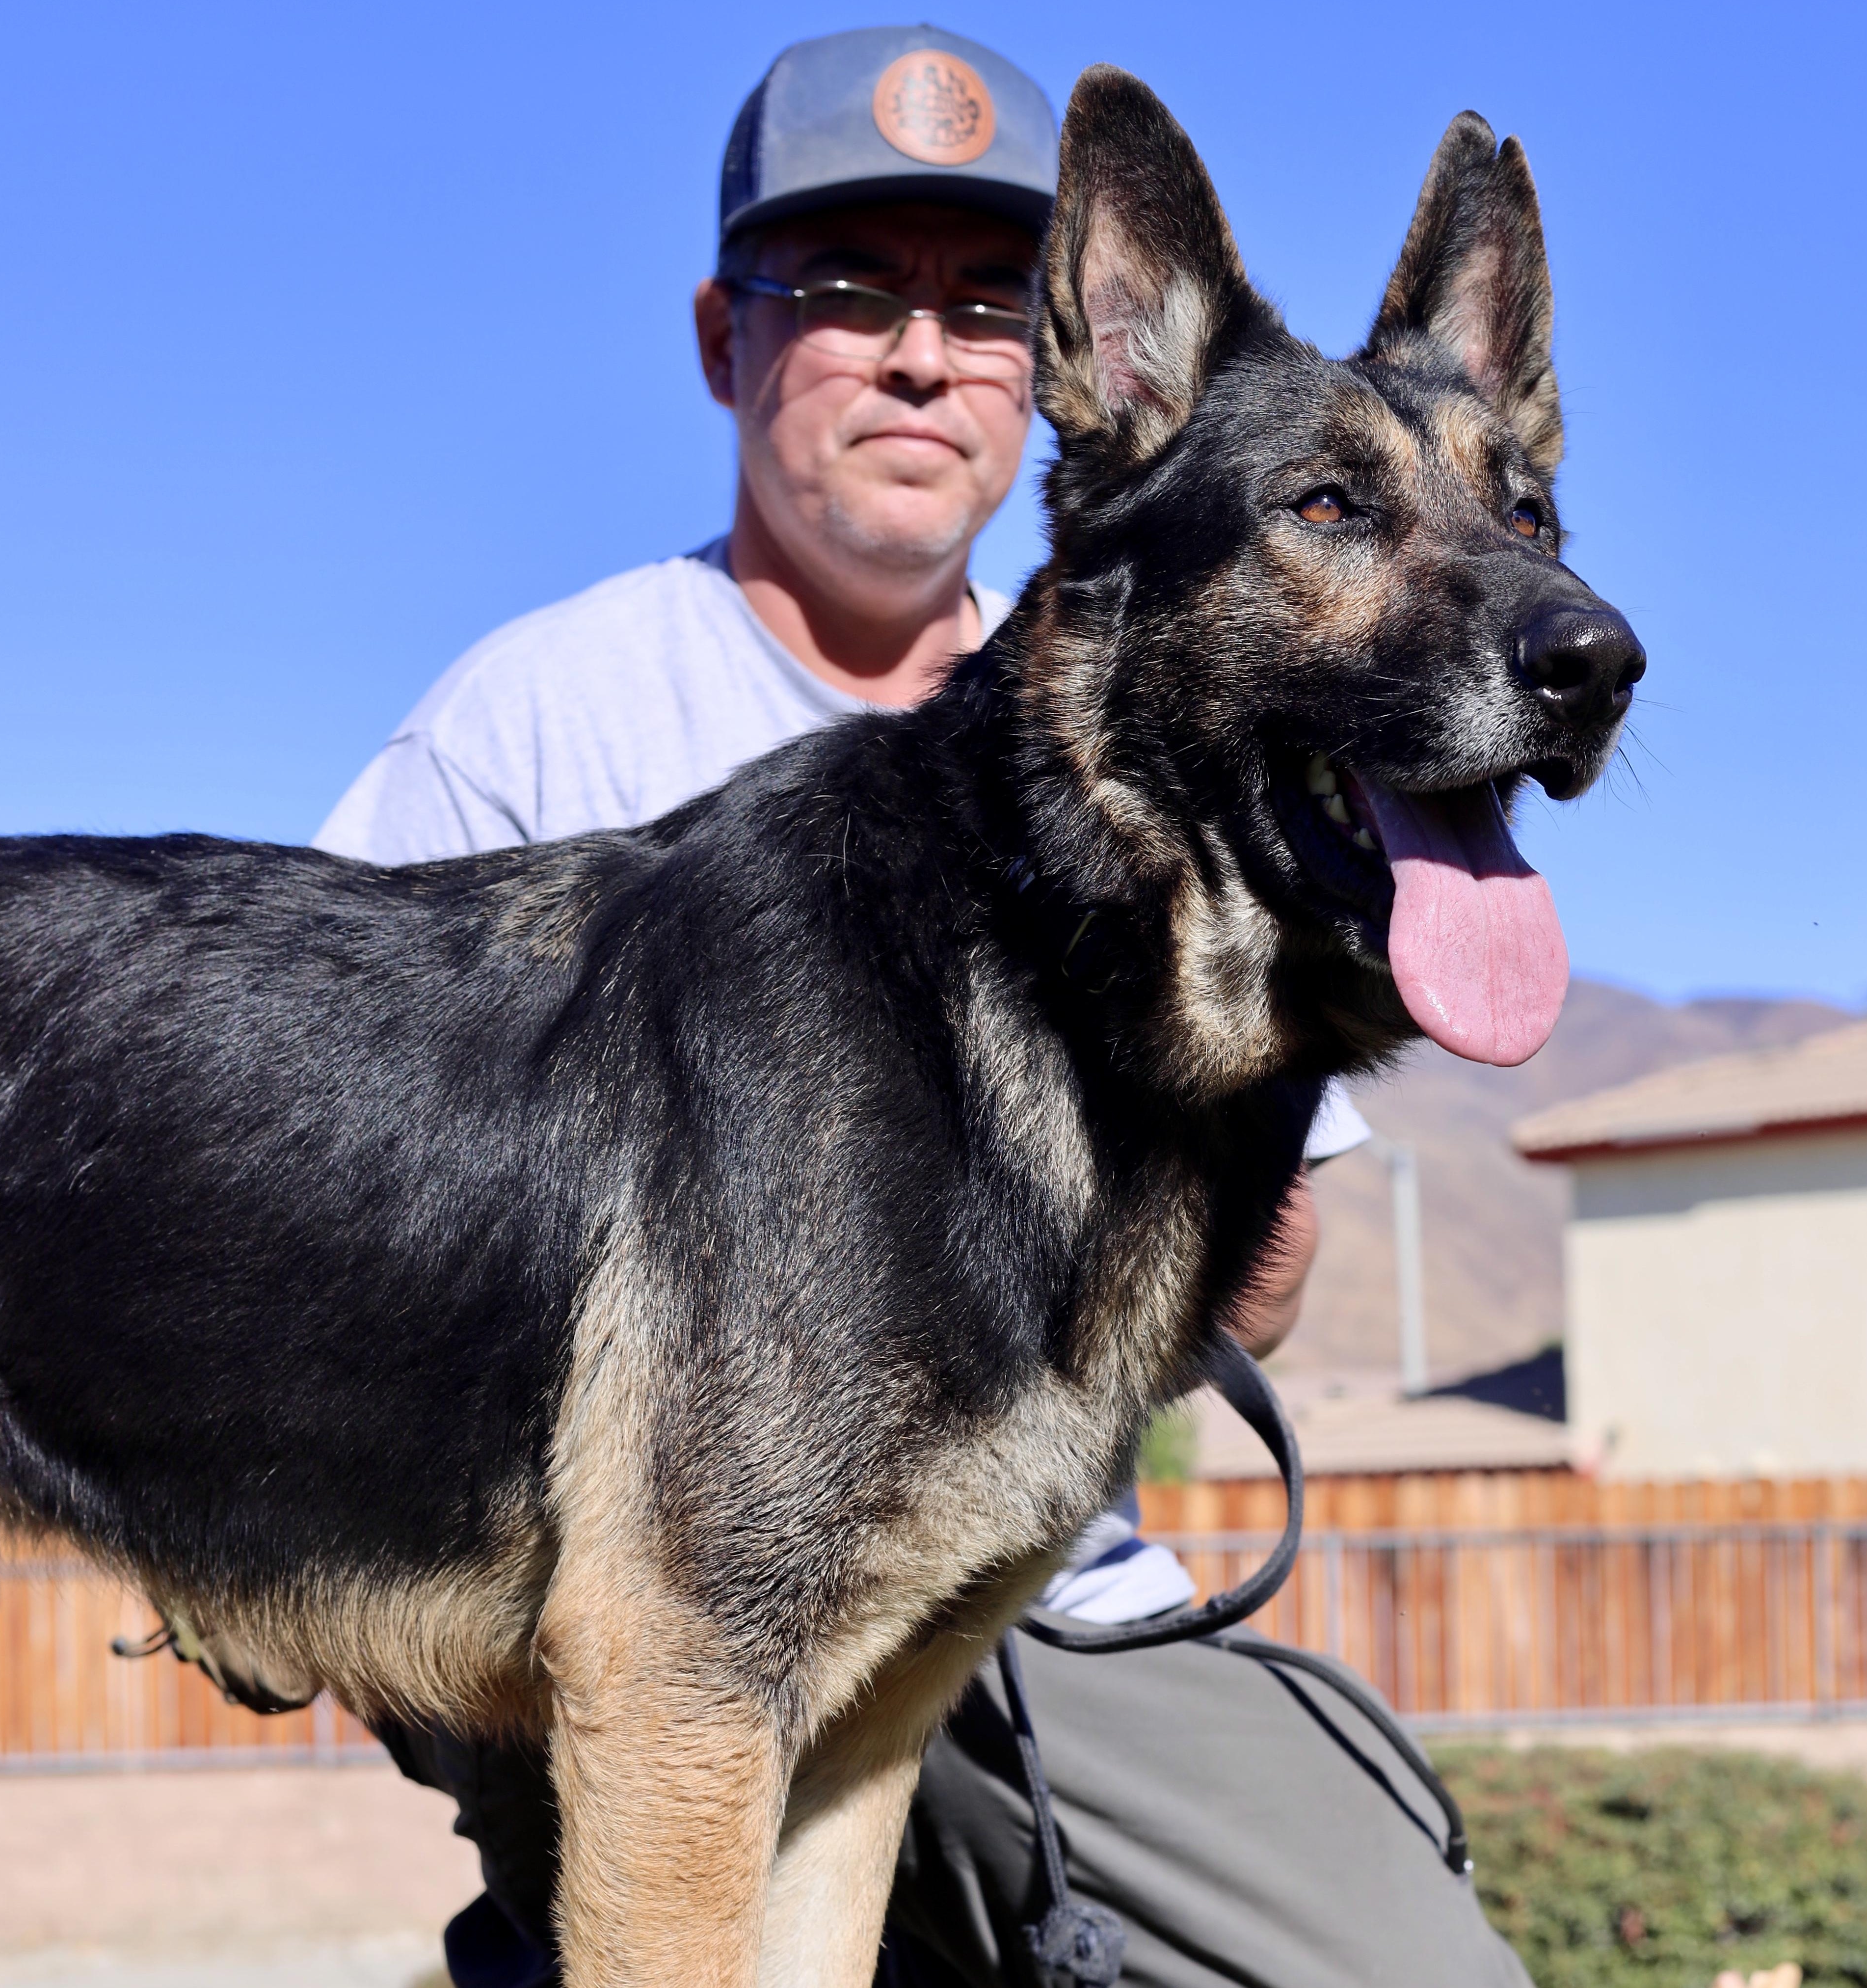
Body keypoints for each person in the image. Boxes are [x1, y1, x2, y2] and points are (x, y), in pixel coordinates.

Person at [319, 27, 1530, 1988]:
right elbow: (345, 1170)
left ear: (1056, 371)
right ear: (724, 339)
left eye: (980, 302)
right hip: (638, 1550)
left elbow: (1275, 1285)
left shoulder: (1201, 733)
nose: (917, 353)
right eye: (844, 291)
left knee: (1411, 1965)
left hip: (1044, 1578)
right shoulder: (535, 713)